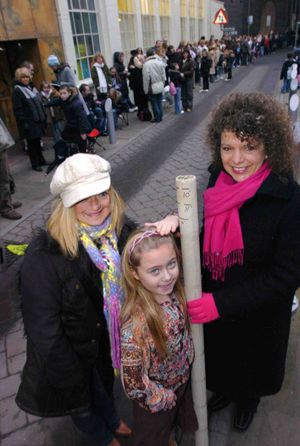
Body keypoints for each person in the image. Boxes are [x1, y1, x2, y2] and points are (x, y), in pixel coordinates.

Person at [186, 92, 300, 432]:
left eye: (248, 147)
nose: (236, 159)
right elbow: (211, 234)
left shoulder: (289, 199)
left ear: (268, 147)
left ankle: (247, 400)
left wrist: (221, 303)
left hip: (257, 314)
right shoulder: (215, 180)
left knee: (250, 368)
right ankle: (225, 390)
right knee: (222, 360)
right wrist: (183, 227)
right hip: (217, 301)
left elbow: (286, 277)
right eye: (227, 147)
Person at [16, 154, 135, 446]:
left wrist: (172, 227)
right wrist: (71, 375)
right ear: (66, 204)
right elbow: (43, 330)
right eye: (83, 198)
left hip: (103, 345)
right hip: (68, 358)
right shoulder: (44, 256)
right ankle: (99, 435)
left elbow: (152, 252)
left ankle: (111, 417)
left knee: (104, 388)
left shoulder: (118, 233)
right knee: (82, 405)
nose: (95, 206)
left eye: (101, 195)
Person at [121, 227, 198, 446]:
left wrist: (176, 220)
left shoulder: (177, 291)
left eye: (171, 264)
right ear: (135, 273)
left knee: (170, 426)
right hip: (156, 401)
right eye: (154, 271)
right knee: (151, 437)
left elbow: (188, 230)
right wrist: (164, 398)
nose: (167, 276)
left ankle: (170, 437)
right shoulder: (135, 326)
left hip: (181, 382)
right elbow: (134, 384)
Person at [12, 67, 47, 172]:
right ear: (19, 78)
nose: (25, 79)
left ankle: (41, 160)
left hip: (36, 120)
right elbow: (18, 109)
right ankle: (35, 164)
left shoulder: (31, 88)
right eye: (23, 77)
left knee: (37, 141)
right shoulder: (17, 91)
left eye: (27, 77)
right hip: (28, 121)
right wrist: (24, 123)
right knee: (31, 144)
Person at [44, 85, 92, 153]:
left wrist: (83, 132)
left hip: (79, 126)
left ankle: (84, 150)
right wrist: (44, 104)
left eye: (64, 93)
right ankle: (74, 149)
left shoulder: (76, 103)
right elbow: (55, 102)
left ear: (69, 93)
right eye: (60, 93)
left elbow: (82, 118)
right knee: (64, 136)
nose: (62, 95)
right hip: (71, 125)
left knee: (82, 147)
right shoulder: (62, 100)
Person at [0, 117, 22, 220]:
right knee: (3, 179)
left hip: (2, 146)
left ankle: (6, 201)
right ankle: (6, 208)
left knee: (7, 177)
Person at [143, 48, 166, 123]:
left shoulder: (146, 64)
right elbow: (163, 74)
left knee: (154, 103)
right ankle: (160, 116)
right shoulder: (159, 62)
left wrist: (146, 89)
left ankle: (157, 117)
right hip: (160, 84)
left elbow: (146, 78)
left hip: (152, 86)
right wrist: (163, 83)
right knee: (159, 101)